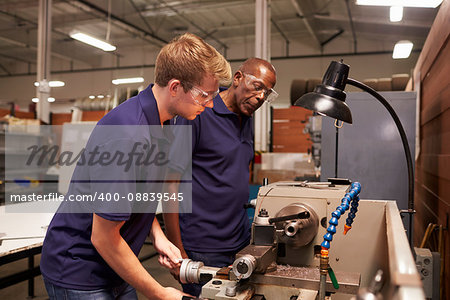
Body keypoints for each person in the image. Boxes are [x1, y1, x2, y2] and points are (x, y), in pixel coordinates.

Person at [40, 33, 231, 300]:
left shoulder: (166, 121)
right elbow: (103, 237)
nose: (210, 104)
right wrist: (160, 293)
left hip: (115, 265)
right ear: (175, 87)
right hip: (80, 270)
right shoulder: (128, 135)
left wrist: (158, 236)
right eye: (205, 95)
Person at [164, 57, 277, 296]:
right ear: (237, 78)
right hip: (203, 246)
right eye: (257, 87)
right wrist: (178, 252)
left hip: (240, 241)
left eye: (267, 93)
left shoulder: (246, 116)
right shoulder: (198, 113)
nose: (260, 98)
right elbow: (170, 184)